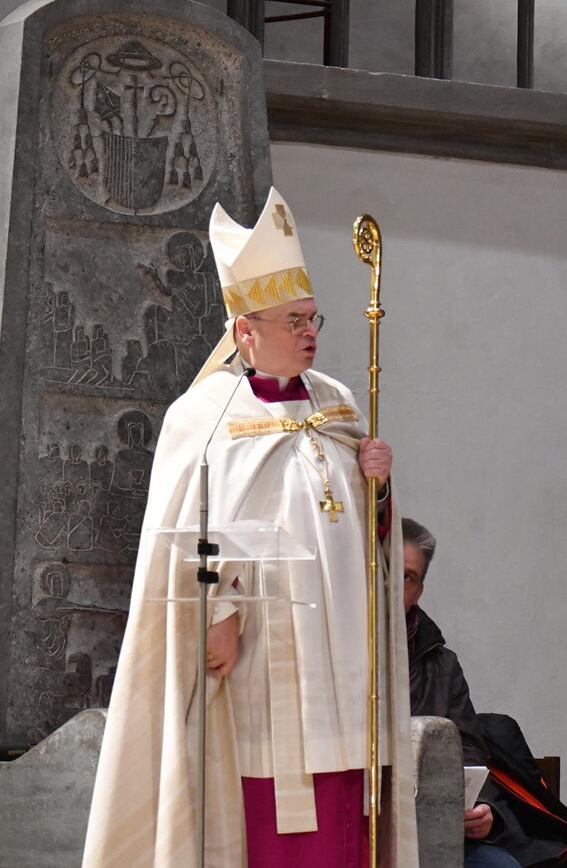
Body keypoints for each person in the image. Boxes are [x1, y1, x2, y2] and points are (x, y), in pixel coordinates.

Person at [83, 188, 418, 867]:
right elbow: (188, 533)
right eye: (293, 320)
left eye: (312, 317)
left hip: (346, 670)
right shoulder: (204, 418)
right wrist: (218, 612)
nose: (309, 331)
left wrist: (378, 490)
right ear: (245, 332)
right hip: (262, 669)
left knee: (347, 827)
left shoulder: (340, 406)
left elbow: (367, 540)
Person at [403, 518, 567, 868]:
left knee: (500, 865)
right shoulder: (338, 650)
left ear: (419, 591)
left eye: (407, 577)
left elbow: (470, 752)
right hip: (366, 821)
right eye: (386, 571)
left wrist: (485, 809)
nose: (393, 586)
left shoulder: (442, 664)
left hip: (436, 828)